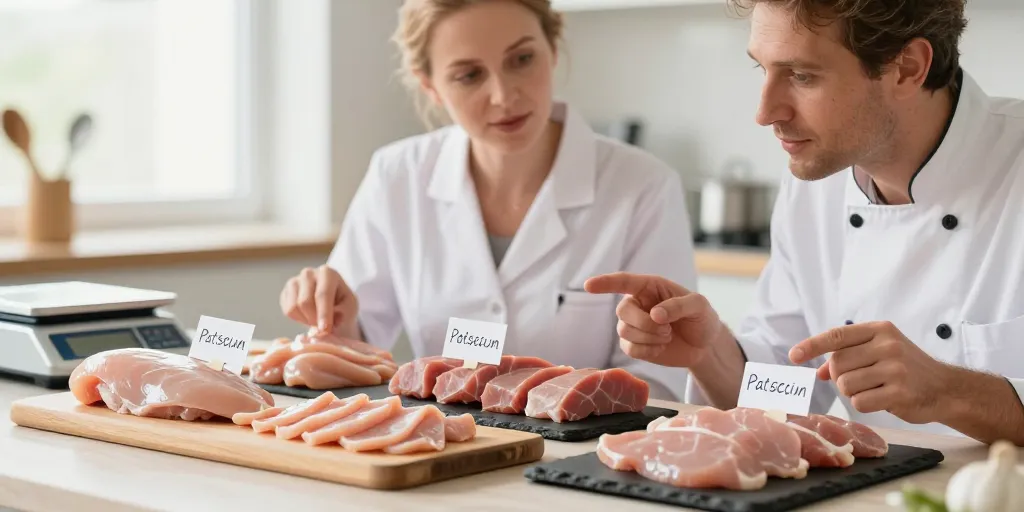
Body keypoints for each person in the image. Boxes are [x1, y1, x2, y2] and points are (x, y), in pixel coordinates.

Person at [586, 0, 1024, 444]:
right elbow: (789, 392)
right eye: (763, 69)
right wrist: (710, 351)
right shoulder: (816, 181)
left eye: (801, 76)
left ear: (907, 68)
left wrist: (951, 392)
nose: (765, 112)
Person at [278, 0, 698, 400]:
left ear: (552, 49)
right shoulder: (397, 176)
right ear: (432, 87)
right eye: (469, 75)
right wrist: (335, 315)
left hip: (580, 458)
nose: (503, 95)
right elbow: (354, 354)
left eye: (521, 59)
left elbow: (659, 381)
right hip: (441, 447)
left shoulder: (643, 186)